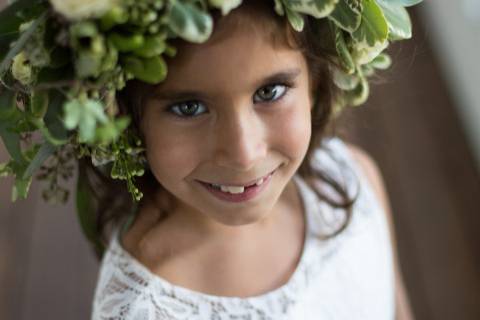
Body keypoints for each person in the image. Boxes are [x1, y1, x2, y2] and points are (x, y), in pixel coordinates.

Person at [88, 1, 414, 319]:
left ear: (314, 81)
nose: (244, 154)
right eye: (189, 107)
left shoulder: (353, 177)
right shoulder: (142, 310)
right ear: (123, 115)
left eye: (270, 92)